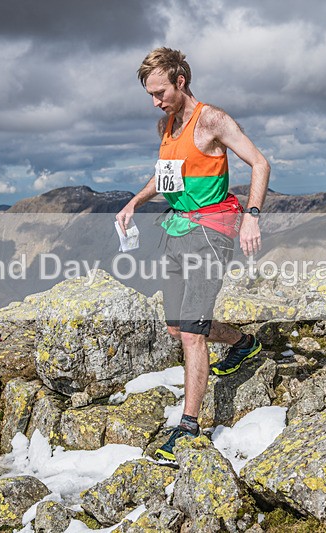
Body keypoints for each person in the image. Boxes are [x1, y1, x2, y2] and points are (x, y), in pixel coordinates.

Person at [116, 47, 271, 462]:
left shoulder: (213, 120)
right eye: (150, 94)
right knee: (176, 327)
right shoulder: (164, 125)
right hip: (177, 226)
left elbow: (259, 162)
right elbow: (167, 173)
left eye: (160, 91)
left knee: (190, 332)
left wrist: (252, 216)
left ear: (180, 81)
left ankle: (188, 427)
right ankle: (242, 343)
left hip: (213, 230)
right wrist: (135, 202)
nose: (155, 100)